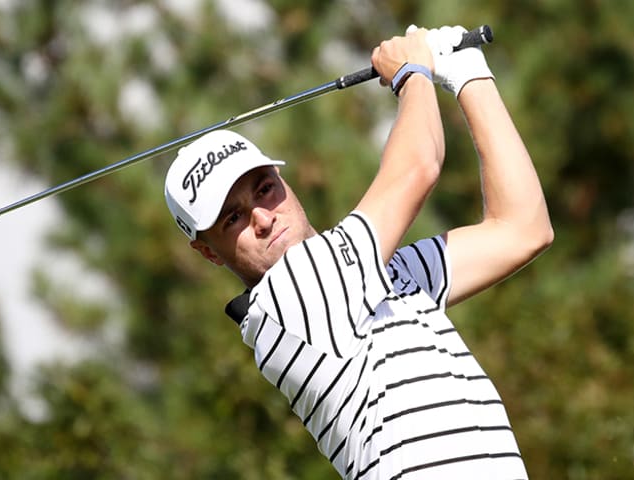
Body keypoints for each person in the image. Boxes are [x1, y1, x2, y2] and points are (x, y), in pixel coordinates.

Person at [164, 24, 552, 480]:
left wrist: (468, 75)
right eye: (232, 218)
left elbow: (523, 228)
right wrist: (412, 72)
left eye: (265, 189)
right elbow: (418, 167)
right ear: (209, 254)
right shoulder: (290, 301)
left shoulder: (378, 275)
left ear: (284, 182)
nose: (263, 218)